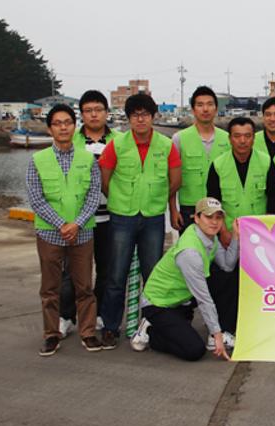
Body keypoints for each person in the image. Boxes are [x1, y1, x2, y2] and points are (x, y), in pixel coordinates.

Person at [98, 93, 181, 350]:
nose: (141, 119)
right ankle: (111, 326)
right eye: (135, 115)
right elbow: (104, 180)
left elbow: (175, 180)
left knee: (153, 274)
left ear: (154, 116)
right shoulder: (117, 145)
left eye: (145, 114)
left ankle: (150, 326)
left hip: (154, 217)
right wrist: (122, 200)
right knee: (116, 274)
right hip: (122, 216)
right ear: (129, 118)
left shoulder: (166, 145)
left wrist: (163, 201)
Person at [28, 104, 103, 356]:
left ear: (74, 126)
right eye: (57, 123)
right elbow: (36, 199)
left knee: (85, 287)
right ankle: (51, 335)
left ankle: (88, 333)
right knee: (50, 289)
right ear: (50, 128)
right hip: (50, 233)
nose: (63, 127)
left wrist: (77, 223)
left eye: (68, 122)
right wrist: (61, 224)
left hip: (82, 233)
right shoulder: (37, 160)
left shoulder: (86, 158)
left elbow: (94, 195)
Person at [206, 117, 275, 348]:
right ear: (230, 138)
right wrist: (222, 232)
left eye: (247, 136)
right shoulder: (219, 165)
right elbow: (213, 203)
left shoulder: (265, 161)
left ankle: (260, 329)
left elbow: (273, 198)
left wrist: (268, 233)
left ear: (254, 137)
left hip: (259, 237)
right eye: (237, 136)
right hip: (228, 235)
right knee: (227, 283)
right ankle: (226, 329)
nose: (242, 141)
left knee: (260, 283)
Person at [131, 198, 239, 361]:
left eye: (218, 217)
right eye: (208, 217)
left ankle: (210, 329)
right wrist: (217, 334)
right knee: (194, 350)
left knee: (228, 277)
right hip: (159, 304)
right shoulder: (190, 252)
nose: (214, 222)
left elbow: (227, 266)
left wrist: (236, 236)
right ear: (196, 218)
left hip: (181, 298)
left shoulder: (210, 236)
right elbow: (203, 298)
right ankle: (150, 333)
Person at [59, 89, 117, 338]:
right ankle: (66, 316)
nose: (93, 114)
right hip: (79, 219)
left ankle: (100, 315)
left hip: (110, 216)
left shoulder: (119, 141)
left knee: (106, 269)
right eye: (88, 111)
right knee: (72, 271)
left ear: (106, 112)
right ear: (81, 115)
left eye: (98, 110)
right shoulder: (71, 142)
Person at [170, 86, 230, 232]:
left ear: (216, 109)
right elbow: (172, 179)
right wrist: (173, 210)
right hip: (190, 207)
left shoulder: (227, 139)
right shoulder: (180, 139)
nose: (205, 109)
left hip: (220, 206)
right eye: (200, 105)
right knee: (190, 252)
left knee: (219, 253)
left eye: (210, 104)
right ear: (193, 109)